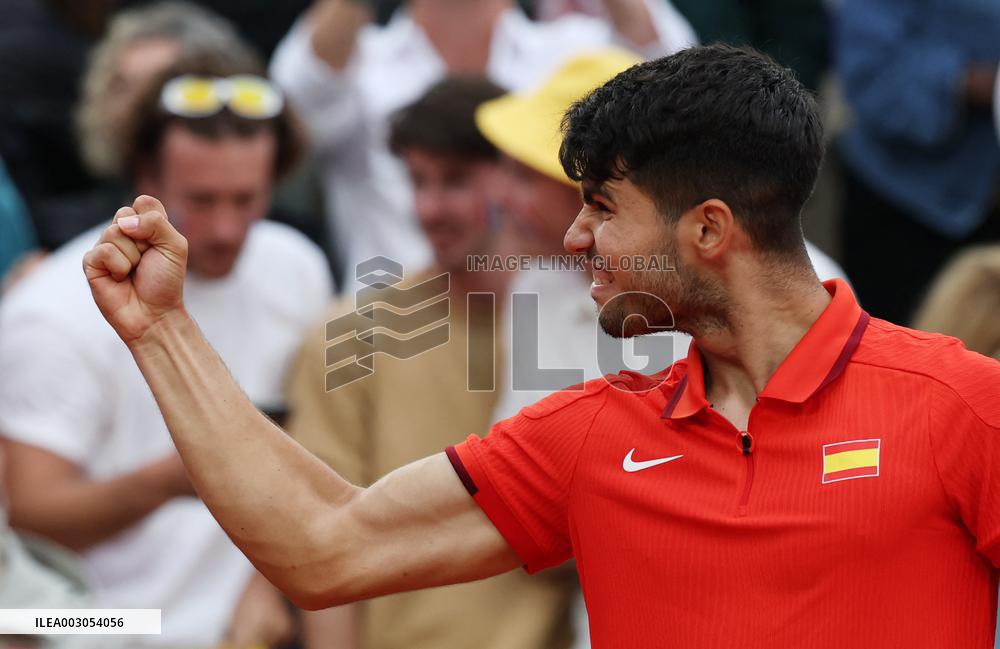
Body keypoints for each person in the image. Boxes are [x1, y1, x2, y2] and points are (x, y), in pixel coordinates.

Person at [83, 45, 1000, 648]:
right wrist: (161, 330)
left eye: (601, 207)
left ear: (709, 230)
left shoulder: (961, 404)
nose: (572, 238)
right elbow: (324, 546)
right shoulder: (589, 433)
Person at [0, 54, 332, 648]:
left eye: (247, 198)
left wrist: (268, 592)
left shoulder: (296, 267)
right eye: (201, 200)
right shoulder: (51, 314)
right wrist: (175, 479)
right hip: (101, 627)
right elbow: (27, 516)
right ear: (143, 180)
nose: (228, 228)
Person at [286, 76, 582, 649]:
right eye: (417, 181)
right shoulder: (352, 334)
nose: (430, 207)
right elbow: (317, 532)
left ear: (518, 179)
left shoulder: (598, 322)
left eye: (456, 181)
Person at [269, 0, 696, 287]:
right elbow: (290, 112)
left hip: (558, 324)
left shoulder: (576, 46)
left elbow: (681, 91)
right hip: (398, 342)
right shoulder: (355, 61)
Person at [836, 0, 1000, 324]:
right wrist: (970, 82)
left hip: (989, 211)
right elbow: (868, 73)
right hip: (903, 205)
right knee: (888, 355)